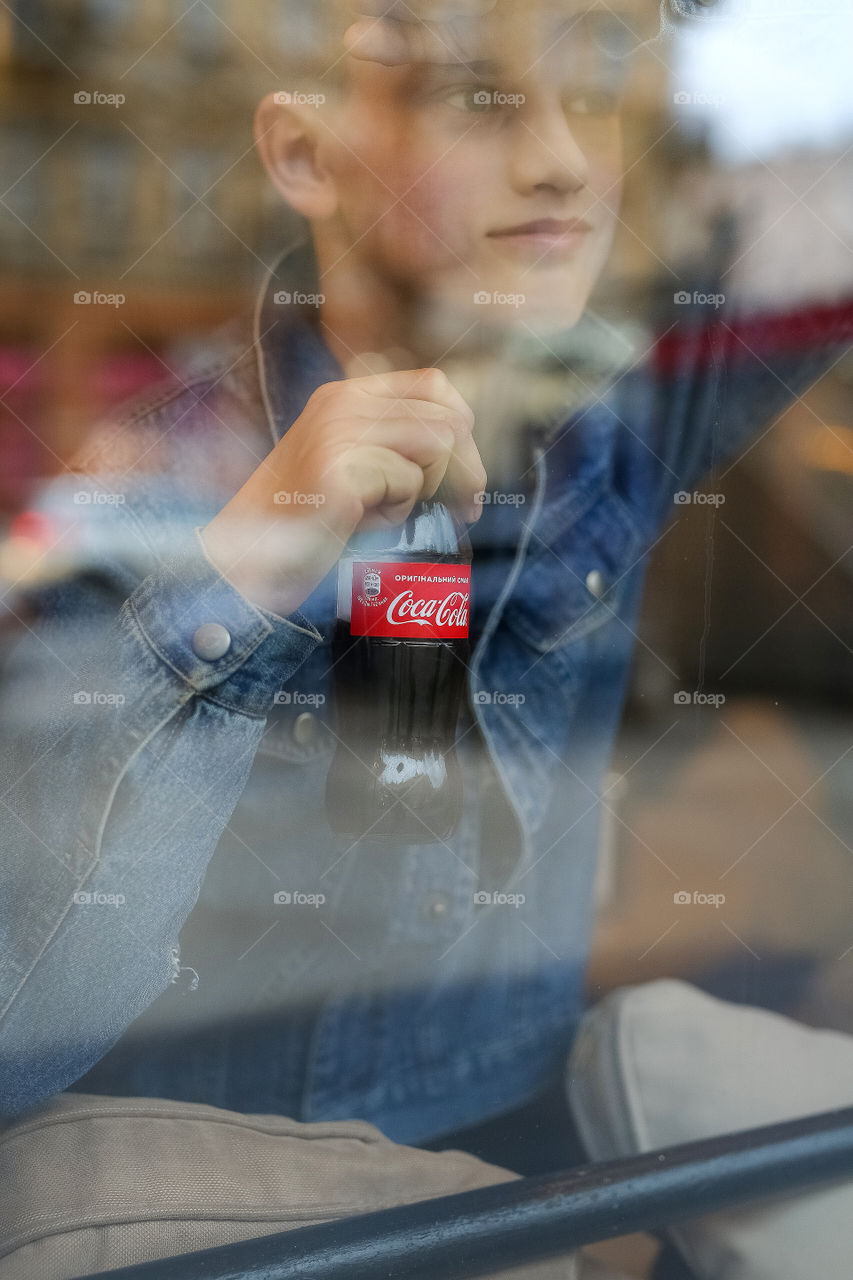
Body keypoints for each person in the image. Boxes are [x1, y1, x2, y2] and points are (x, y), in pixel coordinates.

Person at [0, 0, 848, 1178]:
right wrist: (243, 571)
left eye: (594, 90)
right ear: (304, 153)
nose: (558, 160)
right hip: (233, 1209)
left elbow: (825, 204)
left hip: (515, 1179)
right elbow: (19, 1019)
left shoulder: (612, 432)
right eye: (476, 99)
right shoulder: (163, 488)